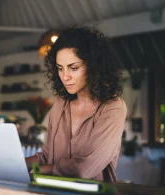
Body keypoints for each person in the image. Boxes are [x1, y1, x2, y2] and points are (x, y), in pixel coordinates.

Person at [25, 26, 127, 182]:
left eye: (73, 68)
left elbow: (84, 168)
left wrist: (44, 170)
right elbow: (46, 156)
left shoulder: (113, 108)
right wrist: (12, 165)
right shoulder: (60, 105)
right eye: (60, 68)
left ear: (93, 67)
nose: (65, 77)